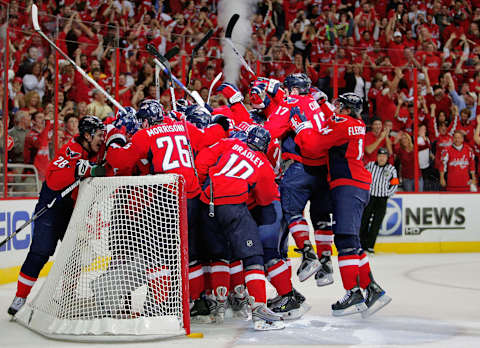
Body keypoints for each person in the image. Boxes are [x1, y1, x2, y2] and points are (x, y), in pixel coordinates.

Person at [294, 92, 391, 318]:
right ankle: (373, 289)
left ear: (347, 110)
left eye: (340, 107)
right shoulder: (353, 123)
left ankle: (353, 293)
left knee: (346, 240)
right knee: (352, 241)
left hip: (347, 185)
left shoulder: (342, 122)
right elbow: (336, 122)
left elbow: (315, 145)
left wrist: (301, 128)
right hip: (356, 184)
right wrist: (321, 103)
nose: (335, 109)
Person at [8, 116, 106, 316]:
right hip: (52, 207)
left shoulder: (95, 150)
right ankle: (20, 297)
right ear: (87, 135)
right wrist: (81, 169)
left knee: (75, 254)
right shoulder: (72, 150)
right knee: (40, 252)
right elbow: (53, 179)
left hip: (71, 209)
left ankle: (68, 295)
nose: (102, 139)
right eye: (99, 135)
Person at [195, 126, 285, 331]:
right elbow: (266, 199)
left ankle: (217, 306)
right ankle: (260, 311)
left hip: (205, 201)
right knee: (253, 255)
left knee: (219, 254)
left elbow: (202, 161)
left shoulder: (231, 143)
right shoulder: (263, 164)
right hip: (232, 207)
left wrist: (207, 183)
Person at [263, 73, 335, 287]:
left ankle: (308, 254)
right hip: (324, 168)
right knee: (321, 217)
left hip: (300, 166)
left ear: (291, 89)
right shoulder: (316, 102)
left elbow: (270, 131)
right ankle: (326, 265)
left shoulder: (289, 103)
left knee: (292, 211)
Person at [360, 148, 399, 253]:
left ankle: (370, 246)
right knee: (364, 220)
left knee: (376, 222)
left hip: (381, 199)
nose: (382, 158)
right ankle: (362, 245)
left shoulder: (391, 169)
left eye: (384, 156)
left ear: (387, 158)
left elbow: (395, 184)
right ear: (377, 157)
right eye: (380, 156)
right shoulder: (370, 166)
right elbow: (362, 177)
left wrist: (387, 194)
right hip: (370, 198)